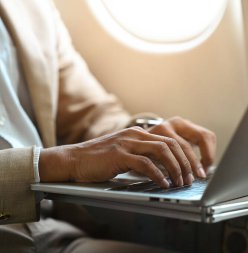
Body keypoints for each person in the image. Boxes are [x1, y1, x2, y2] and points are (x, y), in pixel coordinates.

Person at [0, 0, 216, 252]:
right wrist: (65, 161)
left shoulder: (29, 7)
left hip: (50, 232)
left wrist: (144, 137)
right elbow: (73, 156)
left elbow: (89, 113)